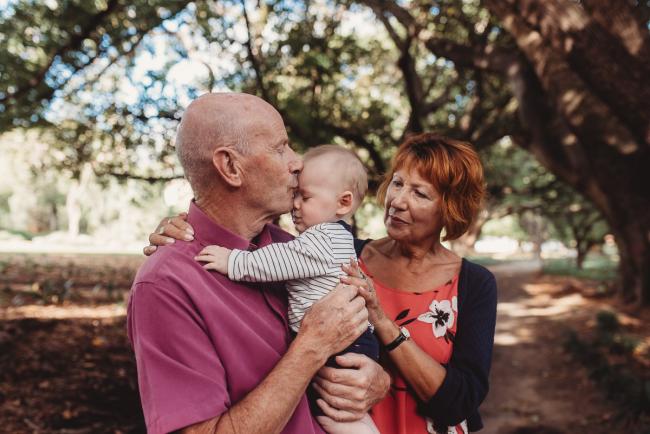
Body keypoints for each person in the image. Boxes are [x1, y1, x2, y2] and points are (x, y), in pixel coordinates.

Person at [149, 133, 497, 434]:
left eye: (420, 194)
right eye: (398, 183)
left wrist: (383, 328)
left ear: (450, 209)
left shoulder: (472, 284)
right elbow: (256, 246)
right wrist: (182, 232)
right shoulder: (343, 255)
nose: (398, 200)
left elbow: (461, 401)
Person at [128, 92, 389, 434]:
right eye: (281, 148)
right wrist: (312, 346)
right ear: (231, 167)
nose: (297, 162)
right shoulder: (167, 286)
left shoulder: (292, 248)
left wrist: (377, 380)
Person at [194, 144, 380, 434]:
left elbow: (276, 262)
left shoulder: (322, 240)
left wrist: (232, 261)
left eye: (305, 197)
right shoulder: (336, 237)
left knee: (340, 417)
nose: (295, 205)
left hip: (343, 346)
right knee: (342, 416)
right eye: (295, 195)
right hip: (352, 341)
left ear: (343, 203)